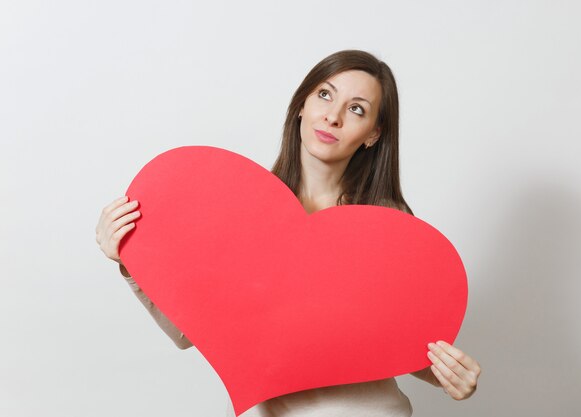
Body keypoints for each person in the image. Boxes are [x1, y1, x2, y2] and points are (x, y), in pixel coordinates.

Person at [95, 49, 481, 416]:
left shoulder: (389, 226)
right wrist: (132, 262)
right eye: (325, 95)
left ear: (373, 134)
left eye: (356, 109)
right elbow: (189, 332)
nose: (332, 117)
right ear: (301, 105)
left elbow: (396, 342)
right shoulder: (239, 213)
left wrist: (447, 376)